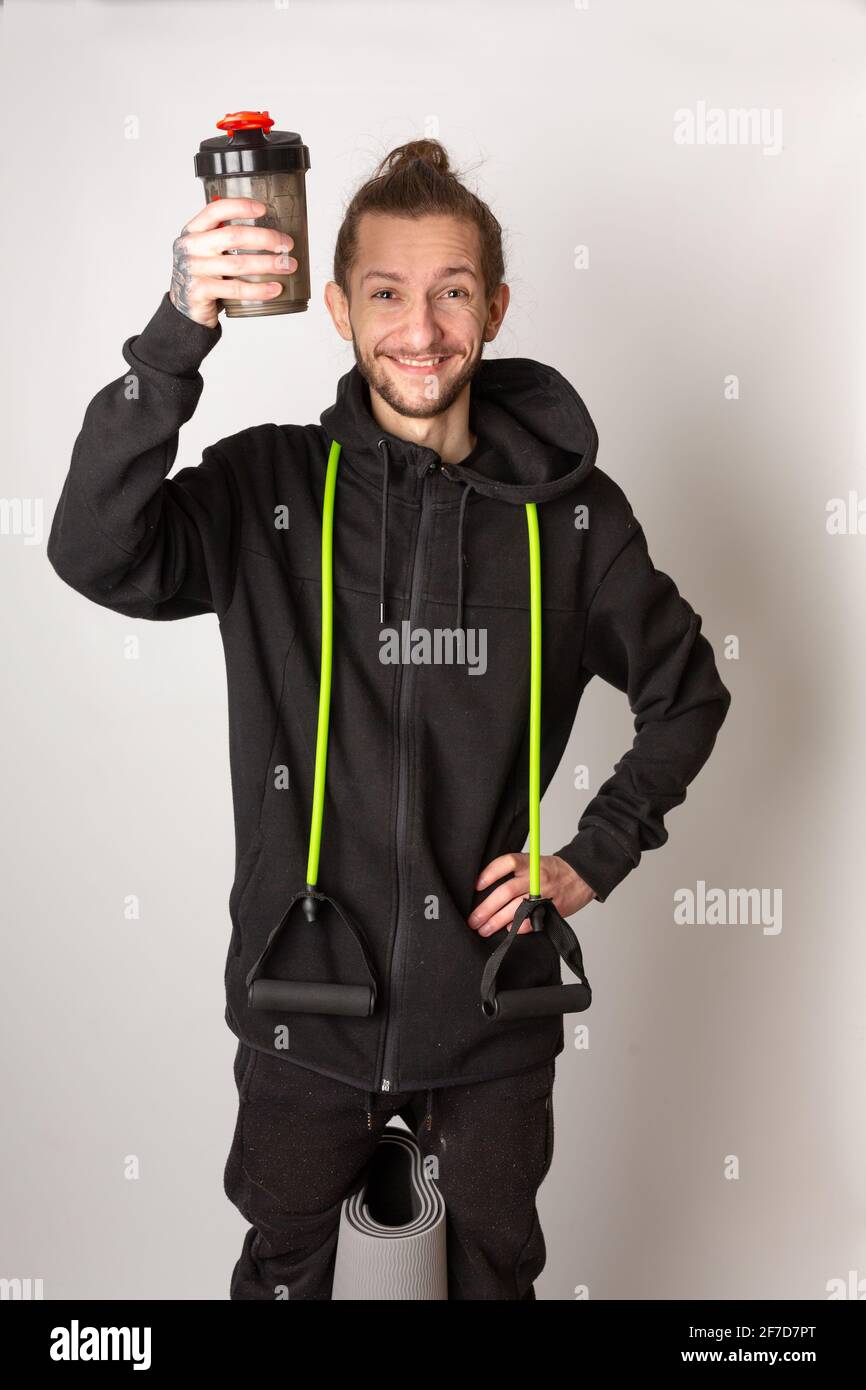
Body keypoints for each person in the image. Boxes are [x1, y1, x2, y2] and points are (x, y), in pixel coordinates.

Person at [47, 139, 731, 1300]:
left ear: (495, 305)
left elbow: (687, 693)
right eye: (386, 293)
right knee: (286, 1285)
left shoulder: (571, 520)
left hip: (489, 1016)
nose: (420, 328)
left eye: (452, 291)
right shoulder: (265, 489)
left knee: (488, 1288)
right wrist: (179, 328)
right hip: (300, 1009)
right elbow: (94, 549)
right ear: (335, 308)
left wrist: (589, 858)